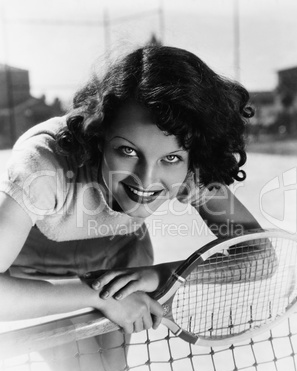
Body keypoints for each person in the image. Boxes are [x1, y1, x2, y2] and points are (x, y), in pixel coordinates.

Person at [0, 44, 261, 335]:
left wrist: (163, 274)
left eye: (171, 158)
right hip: (30, 273)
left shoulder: (191, 170)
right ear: (99, 136)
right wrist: (97, 295)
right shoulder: (43, 168)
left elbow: (259, 256)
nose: (146, 179)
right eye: (127, 151)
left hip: (116, 265)